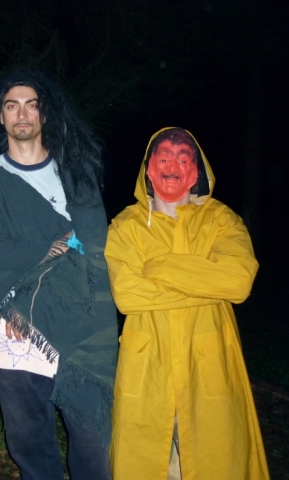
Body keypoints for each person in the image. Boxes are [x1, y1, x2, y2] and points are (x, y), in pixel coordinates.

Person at [0, 70, 118, 480]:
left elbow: (96, 244)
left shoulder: (77, 172)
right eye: (11, 105)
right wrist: (55, 242)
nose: (22, 114)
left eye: (31, 105)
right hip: (15, 323)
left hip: (82, 319)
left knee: (92, 438)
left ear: (44, 113)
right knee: (28, 438)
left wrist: (45, 248)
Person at [104, 127, 270, 479]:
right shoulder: (125, 226)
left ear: (197, 172)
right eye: (164, 158)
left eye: (183, 160)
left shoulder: (221, 220)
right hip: (148, 367)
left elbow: (238, 282)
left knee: (217, 461)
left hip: (207, 367)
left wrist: (161, 266)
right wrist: (205, 281)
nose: (172, 167)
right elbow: (128, 295)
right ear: (148, 169)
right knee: (146, 463)